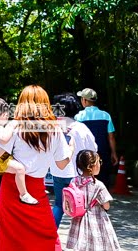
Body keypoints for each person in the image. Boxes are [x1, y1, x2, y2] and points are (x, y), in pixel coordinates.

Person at [0, 85, 72, 251]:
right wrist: (71, 149)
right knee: (46, 235)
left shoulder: (15, 126)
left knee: (11, 236)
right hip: (36, 189)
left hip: (11, 188)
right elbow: (62, 164)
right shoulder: (55, 129)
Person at [49, 94, 97, 226]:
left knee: (59, 204)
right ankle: (80, 238)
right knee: (81, 206)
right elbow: (93, 148)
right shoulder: (81, 128)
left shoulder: (52, 128)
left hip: (57, 172)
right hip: (78, 174)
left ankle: (50, 236)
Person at [66, 150, 121, 250]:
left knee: (81, 243)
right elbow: (106, 205)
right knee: (96, 243)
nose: (100, 164)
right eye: (98, 162)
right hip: (96, 218)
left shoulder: (74, 181)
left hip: (78, 218)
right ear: (91, 166)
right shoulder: (98, 185)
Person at [75, 89, 117, 185]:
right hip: (103, 154)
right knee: (103, 182)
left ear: (84, 100)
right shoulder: (106, 116)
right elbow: (111, 137)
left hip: (85, 155)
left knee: (86, 182)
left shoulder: (79, 116)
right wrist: (114, 153)